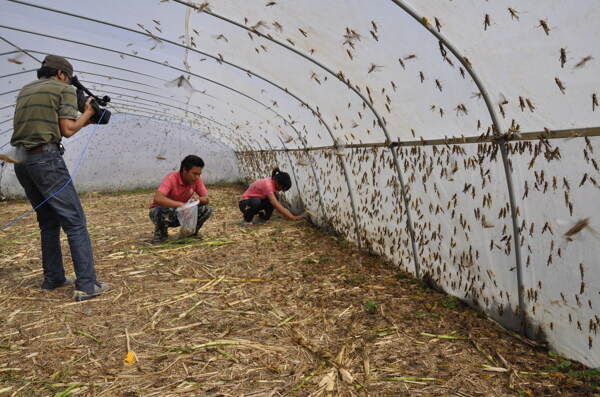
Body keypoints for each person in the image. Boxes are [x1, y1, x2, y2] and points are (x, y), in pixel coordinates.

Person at [10, 55, 109, 302]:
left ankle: (53, 278)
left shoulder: (26, 90)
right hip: (46, 161)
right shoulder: (63, 89)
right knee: (74, 221)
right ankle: (87, 285)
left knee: (48, 221)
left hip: (22, 162)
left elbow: (56, 126)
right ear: (63, 75)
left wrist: (83, 120)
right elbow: (67, 130)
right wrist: (88, 111)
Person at [149, 155, 213, 243]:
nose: (197, 177)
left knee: (207, 209)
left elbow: (206, 199)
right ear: (184, 170)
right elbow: (157, 199)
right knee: (164, 208)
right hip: (163, 214)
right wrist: (181, 205)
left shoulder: (197, 180)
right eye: (194, 174)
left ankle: (189, 234)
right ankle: (161, 236)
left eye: (199, 174)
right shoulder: (171, 178)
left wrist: (198, 200)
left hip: (183, 214)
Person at [238, 167, 306, 225]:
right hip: (245, 205)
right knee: (256, 201)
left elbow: (276, 202)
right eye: (281, 187)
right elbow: (276, 204)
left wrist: (289, 214)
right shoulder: (268, 185)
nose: (280, 190)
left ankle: (263, 219)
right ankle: (246, 220)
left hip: (254, 204)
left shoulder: (272, 183)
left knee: (274, 197)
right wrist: (292, 217)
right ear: (276, 181)